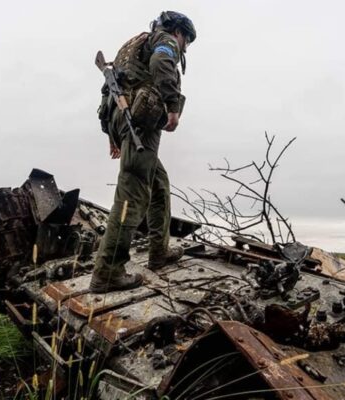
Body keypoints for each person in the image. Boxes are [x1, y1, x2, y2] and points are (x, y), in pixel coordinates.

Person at [90, 11, 197, 293]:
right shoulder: (164, 41)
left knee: (158, 184)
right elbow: (163, 62)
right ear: (178, 32)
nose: (185, 47)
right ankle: (108, 272)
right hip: (140, 125)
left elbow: (109, 91)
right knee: (132, 194)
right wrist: (173, 107)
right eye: (186, 40)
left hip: (124, 121)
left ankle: (158, 251)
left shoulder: (132, 45)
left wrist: (113, 134)